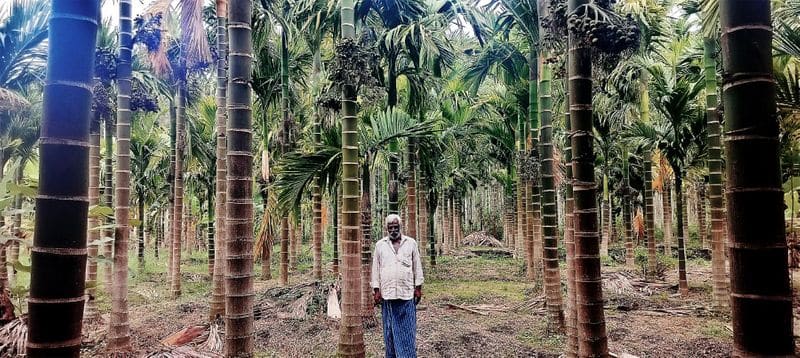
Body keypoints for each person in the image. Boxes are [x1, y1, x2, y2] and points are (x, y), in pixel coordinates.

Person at [371, 214, 424, 358]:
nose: (393, 230)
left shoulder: (411, 243)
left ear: (400, 227)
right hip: (387, 297)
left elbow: (417, 266)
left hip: (406, 295)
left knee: (407, 333)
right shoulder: (380, 245)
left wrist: (418, 288)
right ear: (386, 229)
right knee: (389, 333)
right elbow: (375, 269)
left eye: (396, 227)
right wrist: (376, 291)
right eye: (390, 227)